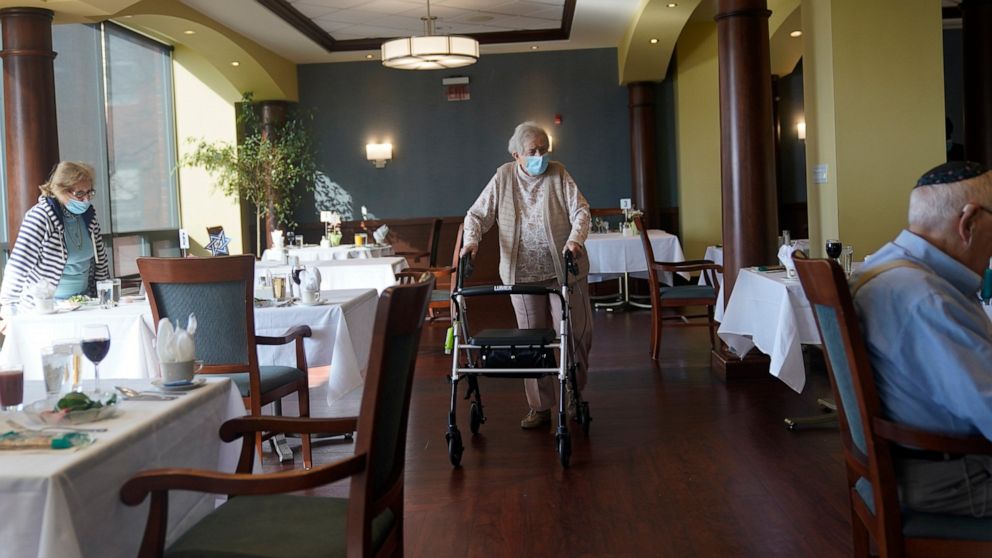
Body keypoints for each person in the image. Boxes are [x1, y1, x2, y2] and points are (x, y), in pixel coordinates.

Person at [850, 160, 992, 517]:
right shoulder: (926, 298)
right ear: (969, 223)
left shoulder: (884, 266)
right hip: (955, 477)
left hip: (919, 463)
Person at [461, 121, 593, 429]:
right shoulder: (503, 177)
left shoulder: (558, 173)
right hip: (521, 274)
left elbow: (581, 211)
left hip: (564, 271)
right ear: (516, 155)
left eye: (544, 150)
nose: (540, 156)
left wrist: (575, 240)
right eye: (533, 151)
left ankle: (574, 393)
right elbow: (477, 215)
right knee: (532, 342)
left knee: (576, 334)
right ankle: (540, 406)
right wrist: (471, 241)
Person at [0, 162, 111, 325]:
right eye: (80, 193)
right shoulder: (40, 217)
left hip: (84, 304)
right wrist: (8, 310)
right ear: (60, 190)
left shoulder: (88, 217)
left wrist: (106, 298)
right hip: (47, 308)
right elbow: (18, 265)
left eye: (89, 192)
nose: (86, 199)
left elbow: (101, 262)